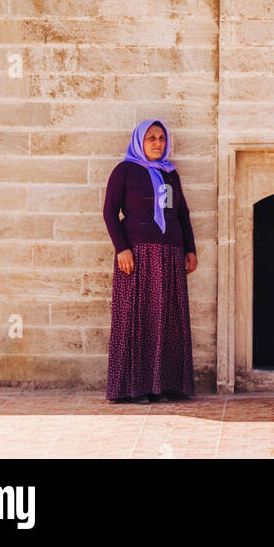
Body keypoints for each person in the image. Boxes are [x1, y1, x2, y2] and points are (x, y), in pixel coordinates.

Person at [103, 118, 197, 402]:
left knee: (167, 320)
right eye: (151, 138)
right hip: (138, 255)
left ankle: (165, 386)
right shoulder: (125, 171)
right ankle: (133, 388)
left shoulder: (170, 174)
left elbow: (181, 214)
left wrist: (190, 249)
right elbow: (110, 212)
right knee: (136, 318)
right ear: (139, 142)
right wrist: (122, 248)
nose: (158, 143)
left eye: (161, 138)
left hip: (169, 255)